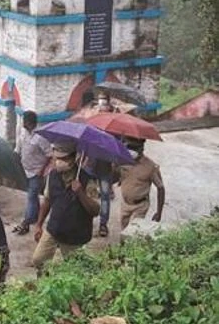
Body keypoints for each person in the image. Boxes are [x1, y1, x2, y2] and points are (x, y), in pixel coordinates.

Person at [31, 141, 100, 273]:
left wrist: (80, 193)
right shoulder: (52, 175)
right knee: (38, 260)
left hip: (74, 234)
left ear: (74, 158)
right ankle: (45, 281)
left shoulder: (87, 180)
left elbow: (95, 210)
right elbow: (47, 201)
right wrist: (39, 225)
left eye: (63, 158)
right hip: (54, 229)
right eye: (57, 158)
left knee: (75, 270)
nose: (59, 161)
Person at [12, 111, 52, 235]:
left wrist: (42, 170)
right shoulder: (23, 134)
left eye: (25, 121)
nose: (23, 123)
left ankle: (26, 222)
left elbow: (49, 154)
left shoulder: (40, 137)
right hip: (25, 170)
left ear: (30, 123)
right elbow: (18, 149)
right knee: (33, 197)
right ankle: (35, 217)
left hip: (36, 171)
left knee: (31, 196)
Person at [117, 137, 165, 229]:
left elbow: (160, 188)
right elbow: (114, 178)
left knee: (133, 231)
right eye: (129, 147)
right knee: (123, 230)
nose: (131, 151)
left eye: (134, 147)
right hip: (125, 204)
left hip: (140, 206)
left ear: (141, 148)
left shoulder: (150, 167)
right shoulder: (123, 161)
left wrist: (159, 212)